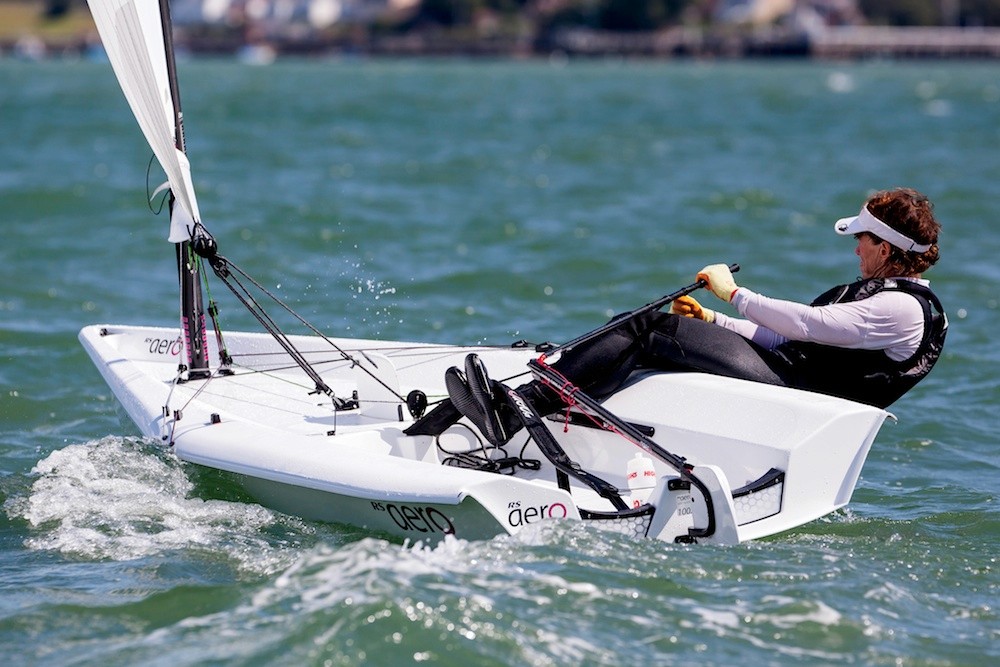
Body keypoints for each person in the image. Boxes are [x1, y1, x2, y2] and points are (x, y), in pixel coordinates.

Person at [424, 187, 947, 448]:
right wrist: (717, 322)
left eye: (862, 239)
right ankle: (559, 410)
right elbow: (787, 339)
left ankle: (518, 411)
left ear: (887, 248)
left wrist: (734, 294)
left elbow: (808, 328)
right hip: (793, 374)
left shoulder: (901, 309)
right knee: (644, 323)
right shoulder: (878, 292)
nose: (856, 249)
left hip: (805, 400)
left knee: (648, 329)